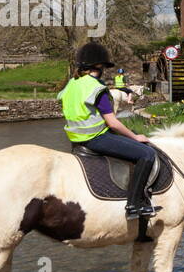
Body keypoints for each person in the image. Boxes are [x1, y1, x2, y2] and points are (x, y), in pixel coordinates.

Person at [59, 42, 161, 219]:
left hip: (76, 139)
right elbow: (113, 123)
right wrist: (135, 136)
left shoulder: (70, 86)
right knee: (146, 154)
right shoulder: (96, 88)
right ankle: (134, 205)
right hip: (96, 138)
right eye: (104, 67)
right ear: (98, 67)